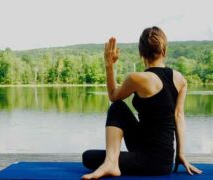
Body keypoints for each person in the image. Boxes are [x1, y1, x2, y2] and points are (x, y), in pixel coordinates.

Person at [81, 26, 203, 179]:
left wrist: (109, 65)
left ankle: (111, 162)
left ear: (141, 53)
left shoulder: (136, 78)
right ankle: (111, 162)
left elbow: (113, 96)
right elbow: (179, 117)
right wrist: (180, 154)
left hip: (150, 162)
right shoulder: (180, 80)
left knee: (89, 156)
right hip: (165, 162)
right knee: (118, 108)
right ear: (164, 50)